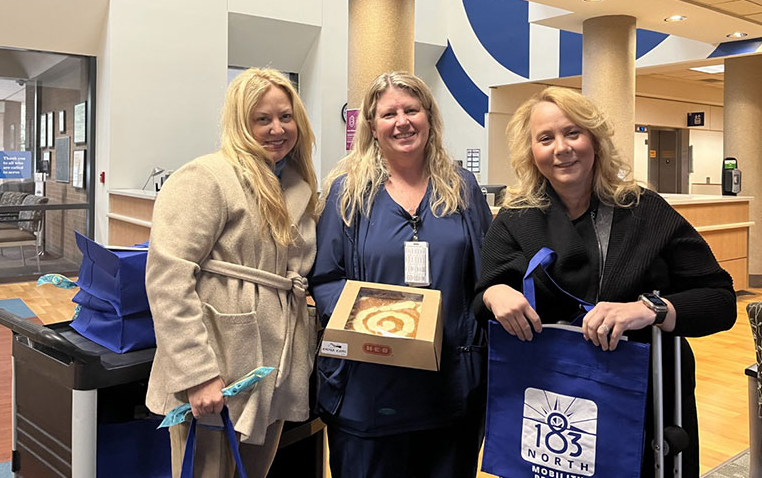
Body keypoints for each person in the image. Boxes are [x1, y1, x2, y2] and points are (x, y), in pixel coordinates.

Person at [473, 86, 736, 477]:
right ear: (531, 152)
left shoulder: (645, 211)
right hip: (549, 400)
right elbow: (482, 298)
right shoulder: (516, 217)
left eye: (573, 133)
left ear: (595, 140)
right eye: (545, 138)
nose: (561, 148)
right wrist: (495, 293)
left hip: (640, 402)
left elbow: (719, 300)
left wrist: (649, 309)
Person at [311, 71, 493, 478]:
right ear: (372, 127)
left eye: (412, 110)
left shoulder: (462, 188)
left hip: (449, 388)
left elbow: (486, 276)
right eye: (388, 113)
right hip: (368, 388)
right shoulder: (347, 192)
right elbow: (325, 278)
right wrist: (376, 321)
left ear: (429, 117)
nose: (402, 121)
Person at [144, 68, 319, 478]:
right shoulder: (206, 177)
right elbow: (168, 278)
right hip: (217, 365)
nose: (277, 129)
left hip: (274, 367)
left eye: (285, 117)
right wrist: (197, 374)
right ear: (241, 123)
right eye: (262, 119)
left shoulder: (297, 185)